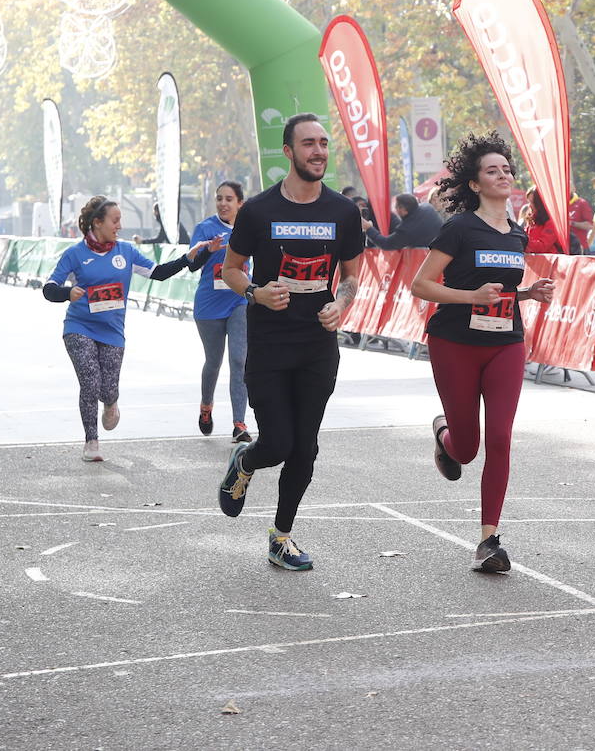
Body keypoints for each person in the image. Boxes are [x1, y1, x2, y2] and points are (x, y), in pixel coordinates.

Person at [216, 113, 363, 572]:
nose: (318, 151)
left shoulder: (342, 211)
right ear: (288, 152)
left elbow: (354, 276)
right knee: (277, 444)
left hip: (317, 345)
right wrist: (255, 293)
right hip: (270, 345)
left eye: (323, 143)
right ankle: (246, 461)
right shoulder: (258, 210)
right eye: (308, 144)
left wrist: (342, 303)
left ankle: (281, 538)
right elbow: (231, 269)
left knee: (305, 447)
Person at [409, 132, 555, 573]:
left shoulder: (517, 234)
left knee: (501, 438)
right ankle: (444, 434)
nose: (503, 176)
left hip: (506, 342)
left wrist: (528, 293)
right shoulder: (458, 228)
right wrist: (470, 296)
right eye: (492, 171)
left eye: (507, 169)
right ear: (474, 184)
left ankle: (489, 540)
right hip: (454, 342)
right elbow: (421, 285)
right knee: (467, 448)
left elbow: (502, 291)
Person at [43, 195, 219, 462]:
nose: (119, 226)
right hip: (79, 327)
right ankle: (91, 441)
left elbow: (158, 272)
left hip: (113, 331)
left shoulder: (125, 252)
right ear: (97, 223)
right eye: (115, 220)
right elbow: (49, 289)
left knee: (107, 389)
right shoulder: (74, 255)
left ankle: (111, 402)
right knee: (90, 381)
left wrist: (187, 258)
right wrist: (68, 293)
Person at [189, 181, 252, 443]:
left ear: (240, 203)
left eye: (229, 199)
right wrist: (206, 252)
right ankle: (206, 407)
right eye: (219, 199)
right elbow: (192, 264)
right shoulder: (204, 228)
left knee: (239, 360)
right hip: (209, 305)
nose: (223, 204)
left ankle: (239, 424)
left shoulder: (249, 228)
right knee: (213, 362)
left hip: (239, 301)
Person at [363, 192, 444, 249]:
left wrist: (369, 229)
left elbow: (386, 244)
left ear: (403, 210)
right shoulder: (428, 207)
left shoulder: (406, 230)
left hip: (424, 262)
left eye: (396, 207)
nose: (394, 209)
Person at [522, 188, 574, 254]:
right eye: (528, 202)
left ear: (540, 203)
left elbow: (543, 246)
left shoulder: (552, 222)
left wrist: (522, 241)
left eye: (532, 202)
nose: (529, 205)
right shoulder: (532, 219)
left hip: (549, 262)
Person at [568, 188, 595, 253]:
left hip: (580, 249)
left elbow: (589, 225)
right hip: (563, 249)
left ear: (574, 189)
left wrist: (571, 223)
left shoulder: (582, 203)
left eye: (568, 187)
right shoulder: (559, 204)